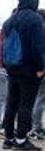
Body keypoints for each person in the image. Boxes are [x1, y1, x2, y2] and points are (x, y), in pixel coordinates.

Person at [0, 0, 45, 151]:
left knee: (12, 102)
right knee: (26, 104)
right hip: (29, 68)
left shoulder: (11, 19)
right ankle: (21, 139)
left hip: (12, 66)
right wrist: (41, 67)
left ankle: (9, 138)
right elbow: (38, 47)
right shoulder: (35, 20)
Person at [30, 9, 45, 139]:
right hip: (42, 69)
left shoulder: (37, 30)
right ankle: (37, 127)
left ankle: (34, 126)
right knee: (40, 99)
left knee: (36, 98)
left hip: (33, 69)